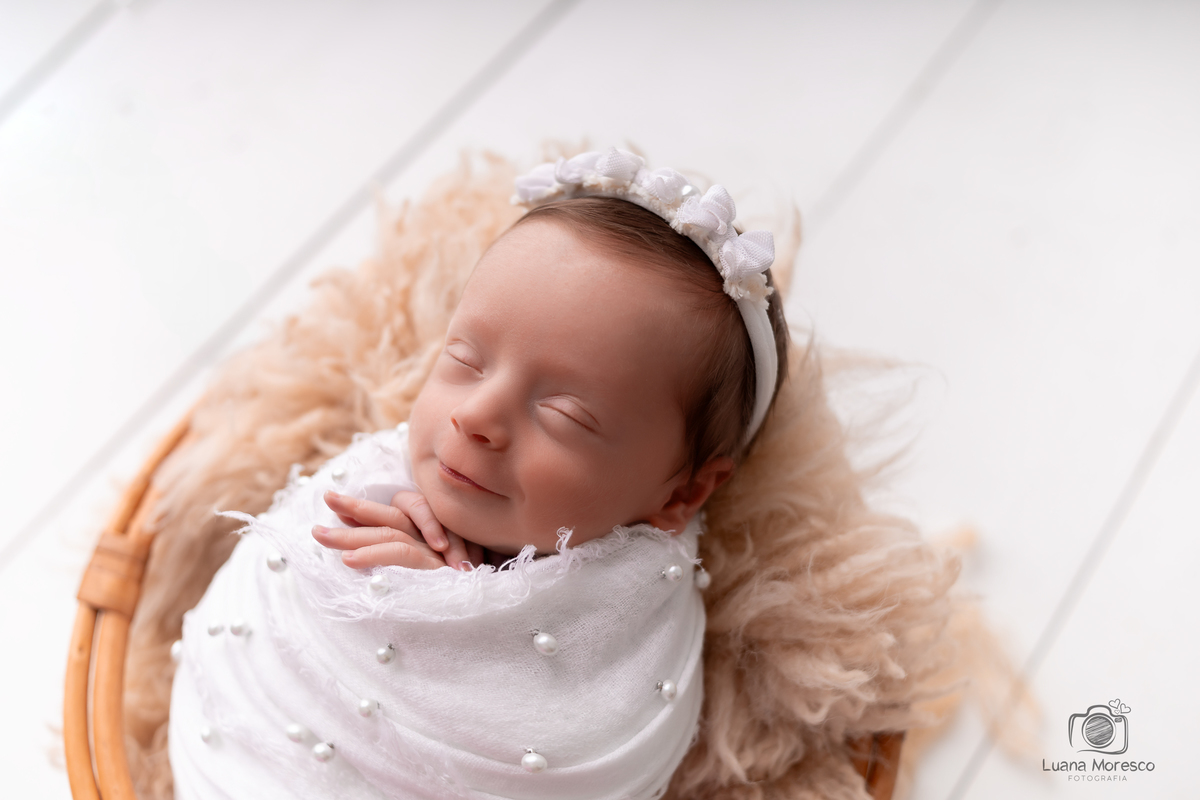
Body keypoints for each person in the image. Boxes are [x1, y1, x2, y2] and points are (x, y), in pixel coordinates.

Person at [167, 149, 793, 799]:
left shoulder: (632, 622)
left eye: (565, 414)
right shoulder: (373, 485)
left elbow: (578, 740)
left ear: (681, 494)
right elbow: (287, 595)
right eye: (465, 359)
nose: (476, 416)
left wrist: (451, 602)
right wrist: (398, 594)